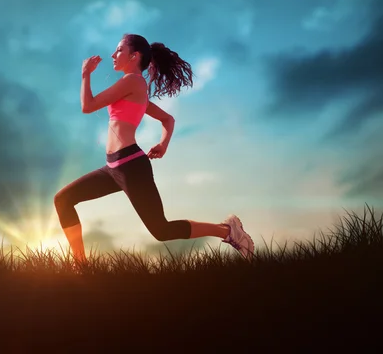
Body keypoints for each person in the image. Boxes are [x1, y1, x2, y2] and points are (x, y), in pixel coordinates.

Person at [53, 33, 254, 263]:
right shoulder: (134, 88)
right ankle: (81, 265)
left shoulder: (132, 81)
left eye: (119, 50)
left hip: (131, 167)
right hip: (113, 168)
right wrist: (163, 144)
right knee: (64, 200)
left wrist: (85, 74)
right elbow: (168, 119)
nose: (113, 54)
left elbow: (87, 106)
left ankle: (228, 231)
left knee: (161, 230)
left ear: (134, 55)